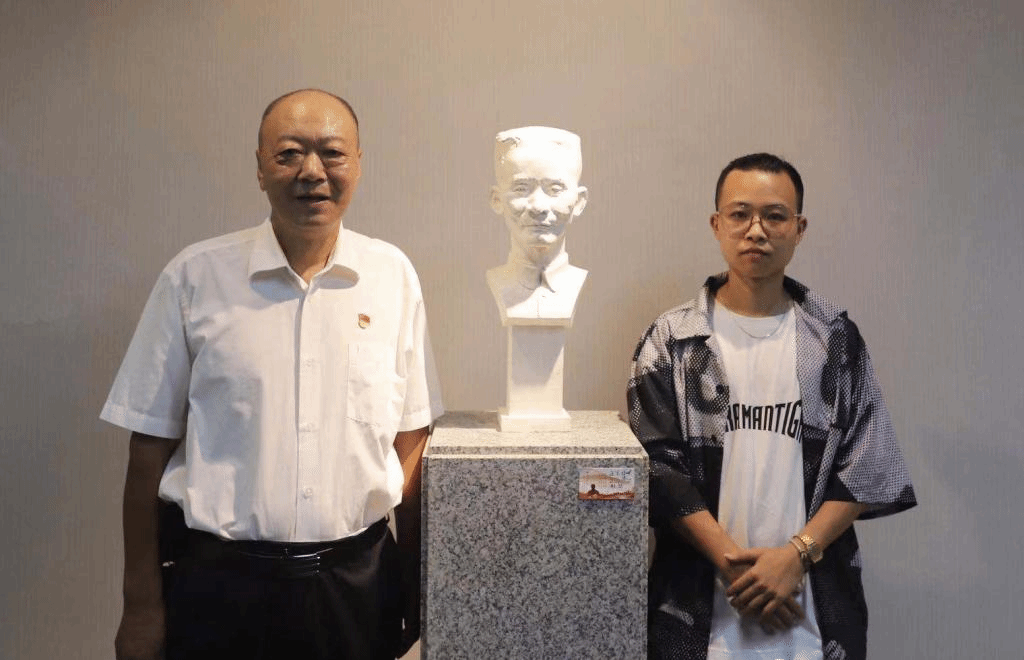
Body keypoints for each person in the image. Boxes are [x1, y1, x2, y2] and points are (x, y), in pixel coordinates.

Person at [101, 89, 444, 660]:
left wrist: (416, 588)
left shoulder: (393, 277)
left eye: (332, 152)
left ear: (358, 164)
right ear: (260, 169)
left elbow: (410, 444)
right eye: (289, 154)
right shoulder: (195, 278)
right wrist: (140, 605)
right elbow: (147, 451)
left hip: (357, 589)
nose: (312, 171)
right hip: (219, 590)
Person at [627, 153, 916, 660]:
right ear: (716, 224)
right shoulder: (672, 340)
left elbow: (867, 465)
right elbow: (657, 468)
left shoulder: (834, 339)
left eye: (774, 216)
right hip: (697, 615)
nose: (756, 230)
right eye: (739, 214)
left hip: (811, 617)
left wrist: (794, 557)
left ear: (799, 229)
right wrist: (737, 568)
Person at [486, 126, 588, 322]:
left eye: (555, 189)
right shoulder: (497, 281)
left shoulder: (578, 282)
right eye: (521, 188)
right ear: (497, 200)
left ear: (579, 201)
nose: (538, 206)